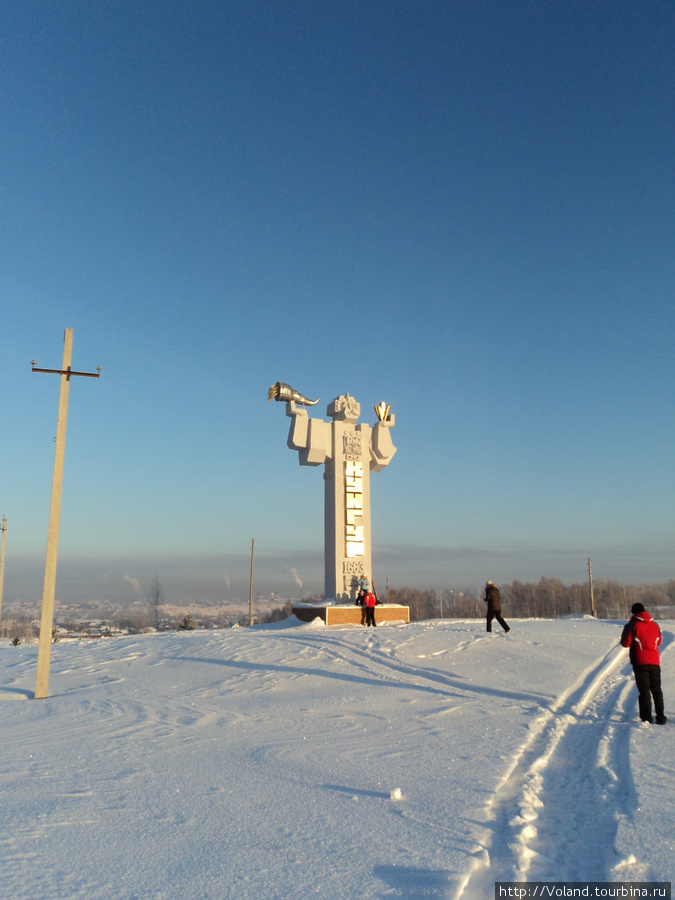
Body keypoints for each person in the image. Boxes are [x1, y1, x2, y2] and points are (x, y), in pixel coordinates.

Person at [620, 602, 667, 725]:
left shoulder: (633, 625)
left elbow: (625, 643)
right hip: (655, 661)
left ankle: (646, 718)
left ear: (633, 613)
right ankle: (661, 717)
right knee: (657, 690)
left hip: (640, 662)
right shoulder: (654, 625)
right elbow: (659, 642)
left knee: (644, 691)